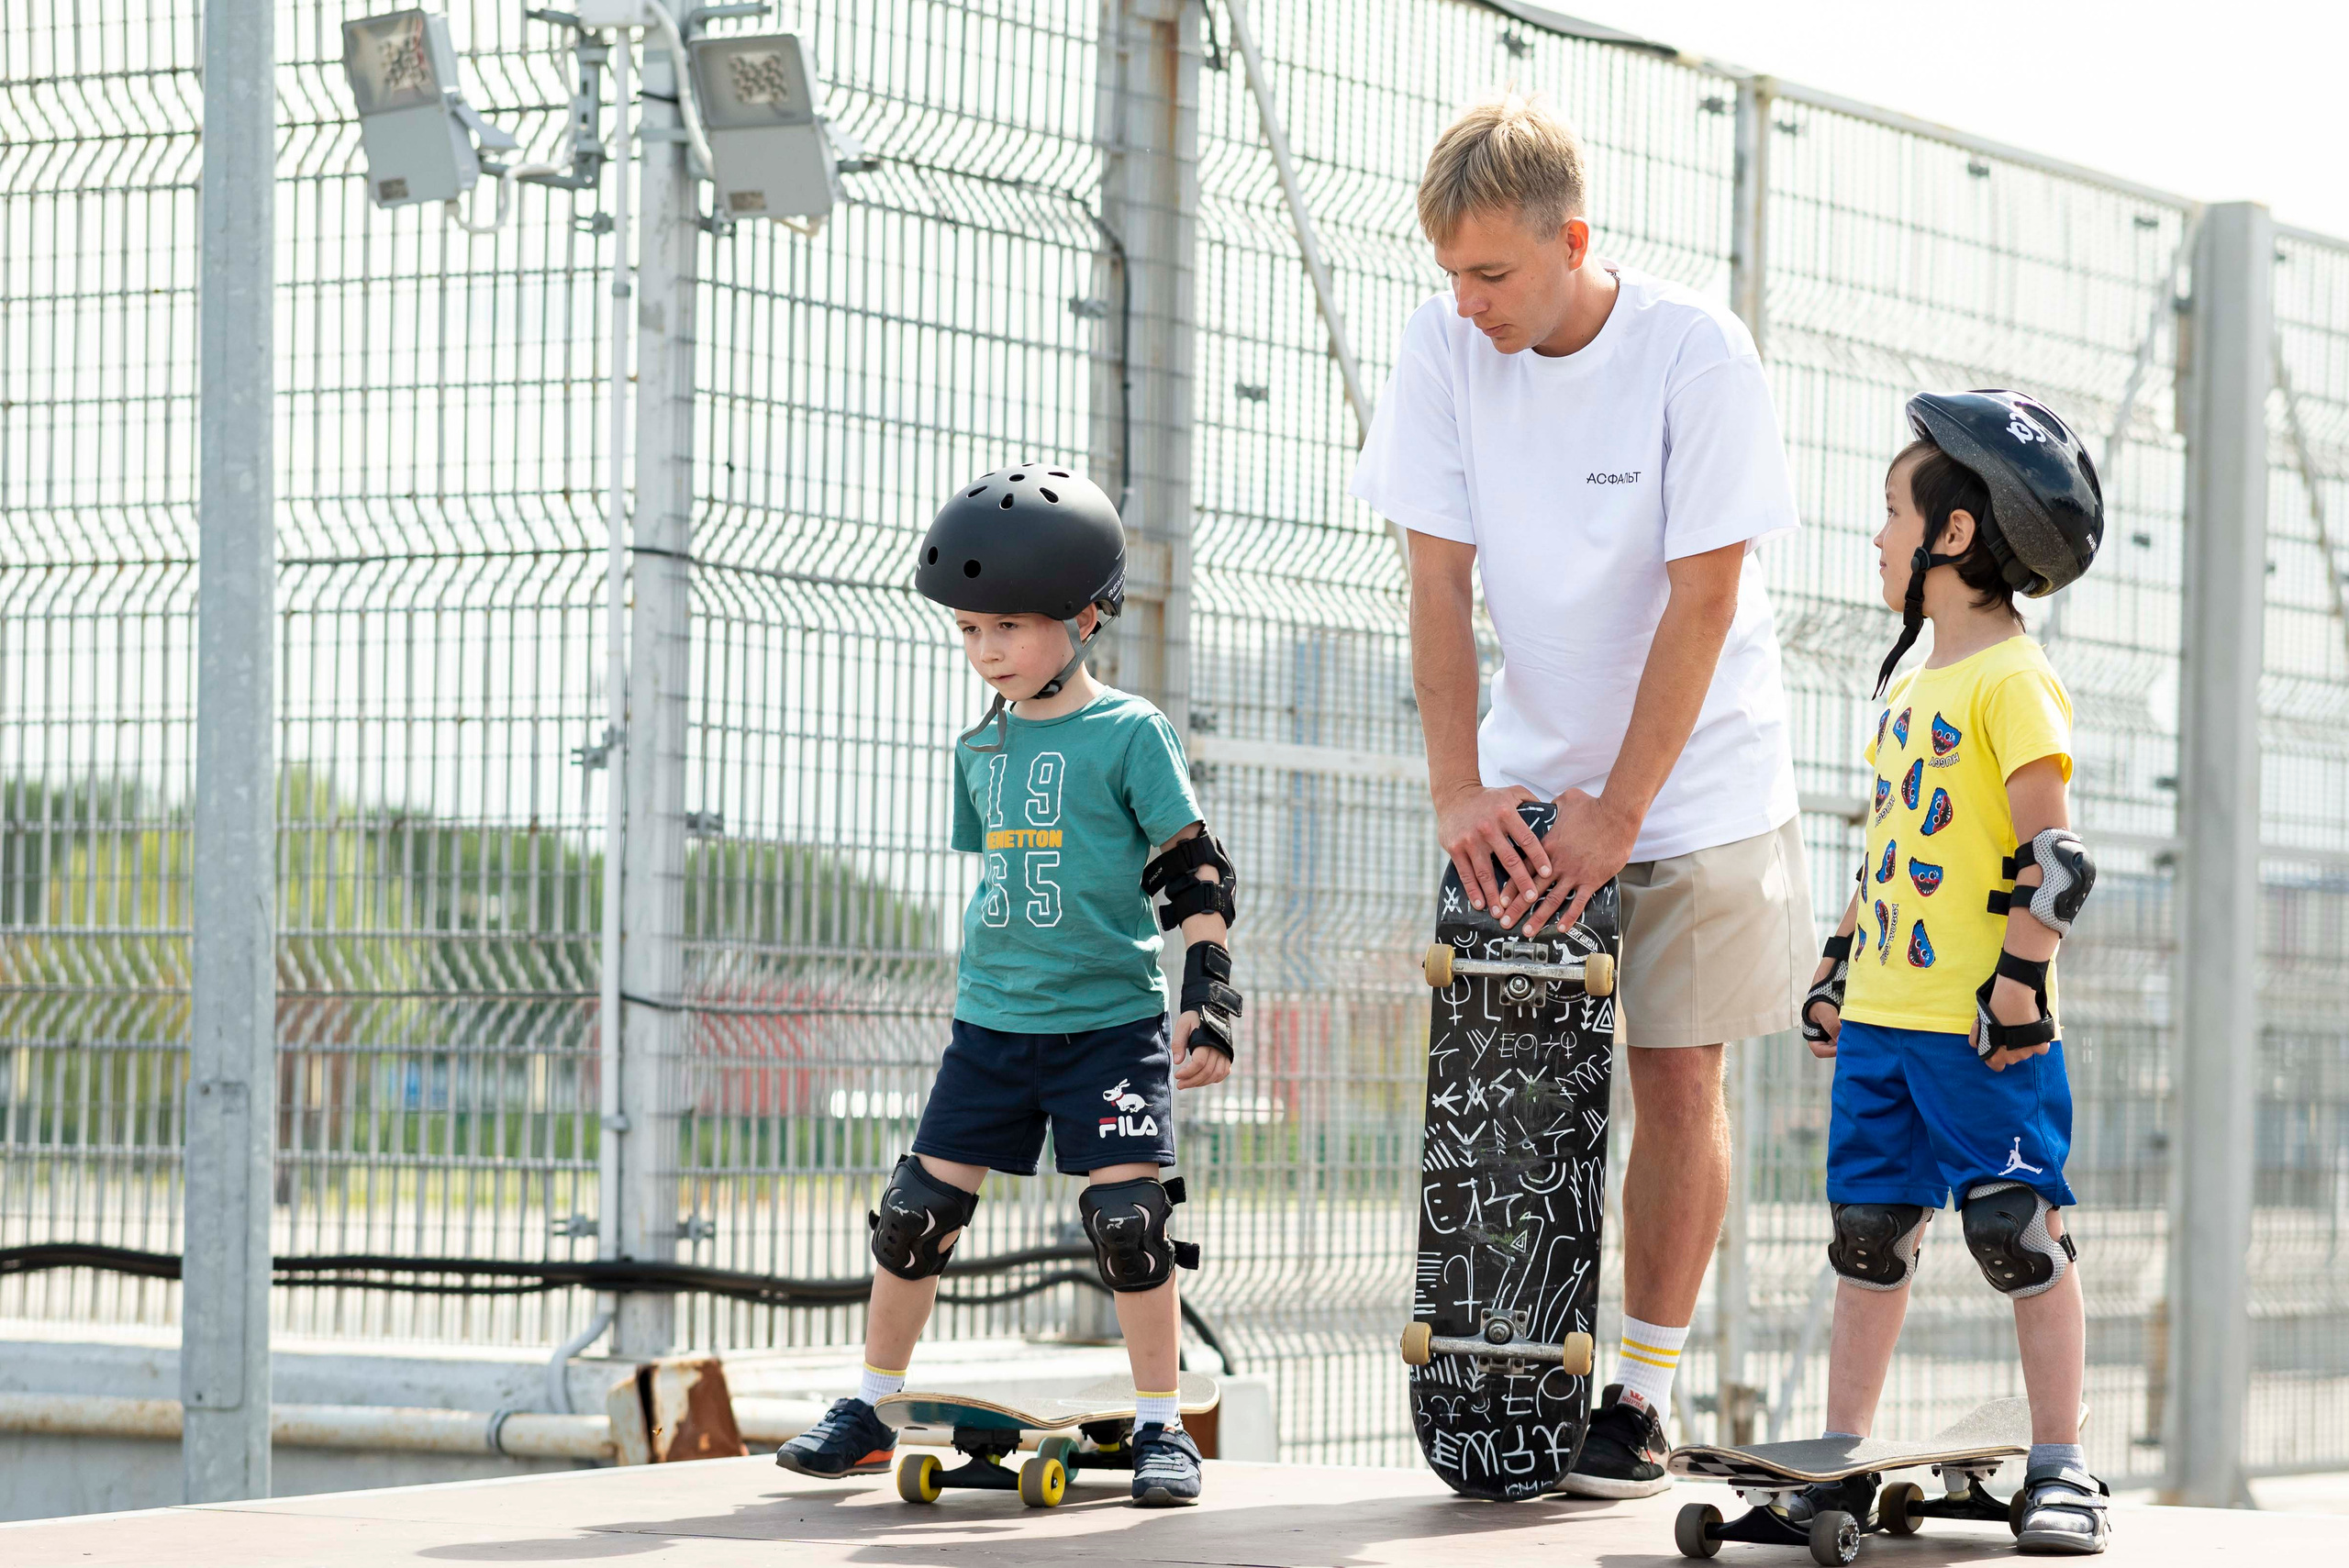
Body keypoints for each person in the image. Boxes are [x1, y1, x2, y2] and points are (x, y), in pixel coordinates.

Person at [1352, 92, 1811, 1496]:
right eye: (1451, 274)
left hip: (1701, 784)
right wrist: (1458, 785)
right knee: (1521, 1106)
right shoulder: (1444, 345)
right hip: (1534, 795)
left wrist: (1622, 807)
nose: (1469, 303)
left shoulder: (1693, 353)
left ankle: (1642, 1390)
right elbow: (1438, 580)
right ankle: (1509, 1379)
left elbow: (1706, 594)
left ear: (1574, 241)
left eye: (1493, 273)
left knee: (1677, 1076)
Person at [774, 465, 1241, 1507]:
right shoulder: (978, 743)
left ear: (1082, 618)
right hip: (992, 1023)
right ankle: (866, 1403)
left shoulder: (1129, 731)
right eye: (968, 631)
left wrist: (1207, 993)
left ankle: (1164, 1425)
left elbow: (1189, 863)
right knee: (913, 1212)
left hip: (1108, 1026)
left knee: (1130, 1222)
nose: (983, 651)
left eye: (1005, 628)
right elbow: (1002, 874)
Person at [1798, 390, 2110, 1553]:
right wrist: (1838, 963)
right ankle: (1834, 1459)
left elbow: (2059, 862)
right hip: (1884, 1015)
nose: (1876, 535)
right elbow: (1890, 845)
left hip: (1981, 1027)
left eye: (1891, 511)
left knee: (2014, 1232)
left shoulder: (2008, 680)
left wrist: (2019, 986)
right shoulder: (1907, 686)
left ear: (1954, 535)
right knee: (1869, 1234)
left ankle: (2062, 1462)